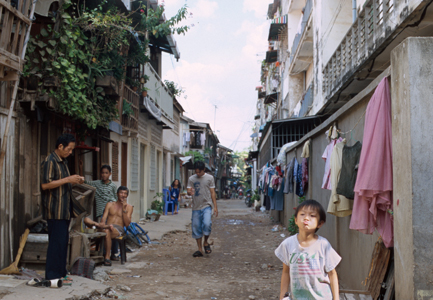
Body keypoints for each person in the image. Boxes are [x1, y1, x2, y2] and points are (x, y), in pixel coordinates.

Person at [275, 200, 341, 300]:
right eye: (302, 214)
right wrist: (282, 296)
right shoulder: (288, 244)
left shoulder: (323, 245)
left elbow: (332, 274)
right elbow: (285, 272)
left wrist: (336, 298)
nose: (306, 218)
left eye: (312, 215)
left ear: (320, 223)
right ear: (296, 220)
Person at [41, 134, 85, 280]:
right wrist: (68, 179)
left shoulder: (63, 162)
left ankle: (61, 273)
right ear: (60, 146)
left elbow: (63, 183)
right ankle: (52, 276)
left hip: (65, 209)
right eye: (69, 149)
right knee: (55, 245)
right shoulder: (50, 161)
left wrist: (75, 180)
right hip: (54, 209)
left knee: (62, 244)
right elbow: (45, 185)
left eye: (72, 150)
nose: (70, 152)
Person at [79, 164, 119, 261]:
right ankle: (105, 253)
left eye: (106, 173)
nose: (104, 175)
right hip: (101, 214)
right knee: (106, 231)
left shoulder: (113, 186)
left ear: (110, 174)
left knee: (115, 231)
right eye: (102, 173)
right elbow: (85, 182)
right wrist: (80, 170)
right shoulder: (96, 183)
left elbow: (116, 199)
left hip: (112, 213)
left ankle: (113, 253)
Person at [187, 161, 218, 257]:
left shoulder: (210, 178)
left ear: (203, 170)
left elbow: (212, 192)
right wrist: (189, 193)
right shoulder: (191, 178)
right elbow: (188, 190)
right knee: (196, 227)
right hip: (196, 206)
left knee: (207, 224)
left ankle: (205, 242)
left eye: (199, 172)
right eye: (196, 172)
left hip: (206, 205)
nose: (197, 174)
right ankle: (200, 249)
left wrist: (215, 206)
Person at [100, 186, 133, 266]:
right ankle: (107, 255)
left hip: (118, 229)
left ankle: (107, 257)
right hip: (107, 227)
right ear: (117, 194)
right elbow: (104, 218)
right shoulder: (110, 204)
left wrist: (124, 210)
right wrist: (103, 224)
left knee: (107, 231)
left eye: (125, 193)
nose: (123, 195)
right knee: (105, 229)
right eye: (121, 193)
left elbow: (127, 224)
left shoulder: (129, 207)